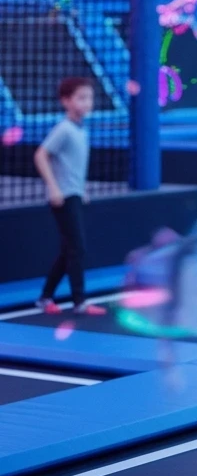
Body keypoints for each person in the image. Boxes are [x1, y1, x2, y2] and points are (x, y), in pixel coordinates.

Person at [33, 77, 105, 315]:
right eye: (81, 98)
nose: (87, 103)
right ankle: (79, 301)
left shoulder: (81, 129)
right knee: (77, 248)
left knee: (69, 250)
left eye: (89, 98)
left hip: (73, 193)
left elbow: (72, 165)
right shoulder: (63, 129)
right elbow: (41, 155)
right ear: (66, 101)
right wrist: (53, 187)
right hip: (63, 197)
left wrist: (81, 188)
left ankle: (45, 297)